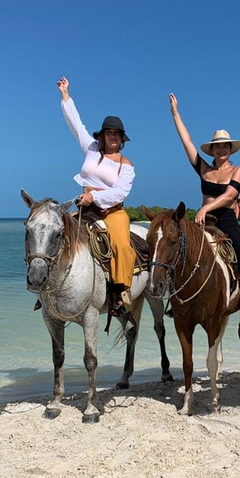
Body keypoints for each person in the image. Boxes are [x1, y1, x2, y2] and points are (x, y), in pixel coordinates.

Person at [168, 93, 240, 320]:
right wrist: (175, 113)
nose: (221, 150)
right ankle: (176, 297)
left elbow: (230, 196)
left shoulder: (238, 170)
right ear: (212, 150)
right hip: (202, 221)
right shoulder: (204, 169)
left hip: (225, 219)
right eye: (217, 147)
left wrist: (205, 208)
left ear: (230, 149)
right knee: (174, 252)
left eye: (225, 146)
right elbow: (187, 142)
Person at [57, 76, 136, 315]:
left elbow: (120, 192)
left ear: (122, 139)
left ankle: (121, 293)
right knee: (55, 234)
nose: (112, 136)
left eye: (117, 133)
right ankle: (48, 287)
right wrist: (65, 95)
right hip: (85, 209)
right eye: (108, 132)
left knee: (121, 245)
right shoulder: (91, 148)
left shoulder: (126, 164)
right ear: (101, 135)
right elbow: (76, 124)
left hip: (113, 211)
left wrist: (94, 197)